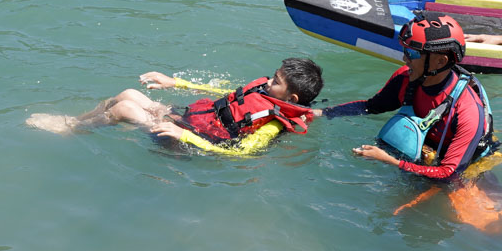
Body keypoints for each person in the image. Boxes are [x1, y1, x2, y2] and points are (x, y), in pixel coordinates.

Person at [24, 57, 323, 157]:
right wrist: (174, 82)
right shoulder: (265, 92)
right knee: (127, 94)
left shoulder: (272, 123)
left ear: (292, 99)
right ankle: (73, 122)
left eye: (277, 82)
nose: (269, 81)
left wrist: (186, 138)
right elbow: (227, 94)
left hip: (190, 143)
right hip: (190, 121)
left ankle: (71, 129)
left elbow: (242, 153)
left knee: (126, 109)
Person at [324, 12, 497, 181]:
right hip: (425, 156)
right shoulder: (407, 78)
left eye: (412, 54)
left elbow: (449, 174)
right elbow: (370, 107)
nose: (404, 58)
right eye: (405, 50)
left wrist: (390, 161)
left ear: (440, 62)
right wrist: (321, 113)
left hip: (468, 169)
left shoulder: (467, 112)